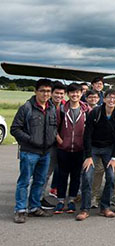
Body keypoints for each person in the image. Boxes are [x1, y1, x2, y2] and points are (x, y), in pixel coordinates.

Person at [11, 79, 57, 223]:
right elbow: (15, 129)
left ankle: (34, 207)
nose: (46, 94)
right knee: (24, 181)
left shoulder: (51, 108)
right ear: (36, 91)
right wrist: (30, 139)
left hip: (45, 152)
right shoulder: (26, 108)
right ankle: (20, 210)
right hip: (29, 152)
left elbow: (54, 127)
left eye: (48, 91)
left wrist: (51, 139)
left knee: (40, 181)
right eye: (42, 90)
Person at [78, 89, 115, 220]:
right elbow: (87, 135)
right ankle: (85, 209)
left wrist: (114, 157)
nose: (111, 100)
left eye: (114, 98)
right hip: (93, 147)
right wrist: (88, 156)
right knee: (87, 176)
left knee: (110, 176)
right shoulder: (95, 113)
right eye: (109, 97)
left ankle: (105, 207)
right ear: (104, 99)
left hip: (108, 149)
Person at [53, 83, 91, 215]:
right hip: (64, 149)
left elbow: (90, 129)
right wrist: (61, 141)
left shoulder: (86, 110)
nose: (75, 95)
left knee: (76, 176)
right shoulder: (62, 109)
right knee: (62, 176)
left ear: (81, 93)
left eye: (77, 92)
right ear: (68, 94)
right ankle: (60, 201)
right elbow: (54, 128)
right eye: (72, 92)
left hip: (80, 149)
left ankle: (72, 201)